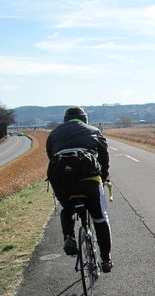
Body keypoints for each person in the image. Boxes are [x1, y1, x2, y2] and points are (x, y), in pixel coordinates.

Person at [46, 106, 113, 273]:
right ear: (84, 119)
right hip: (88, 180)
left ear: (65, 120)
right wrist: (104, 177)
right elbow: (104, 156)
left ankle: (69, 236)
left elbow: (51, 156)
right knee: (100, 218)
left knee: (67, 209)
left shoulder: (54, 133)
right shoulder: (94, 131)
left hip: (61, 179)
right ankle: (106, 259)